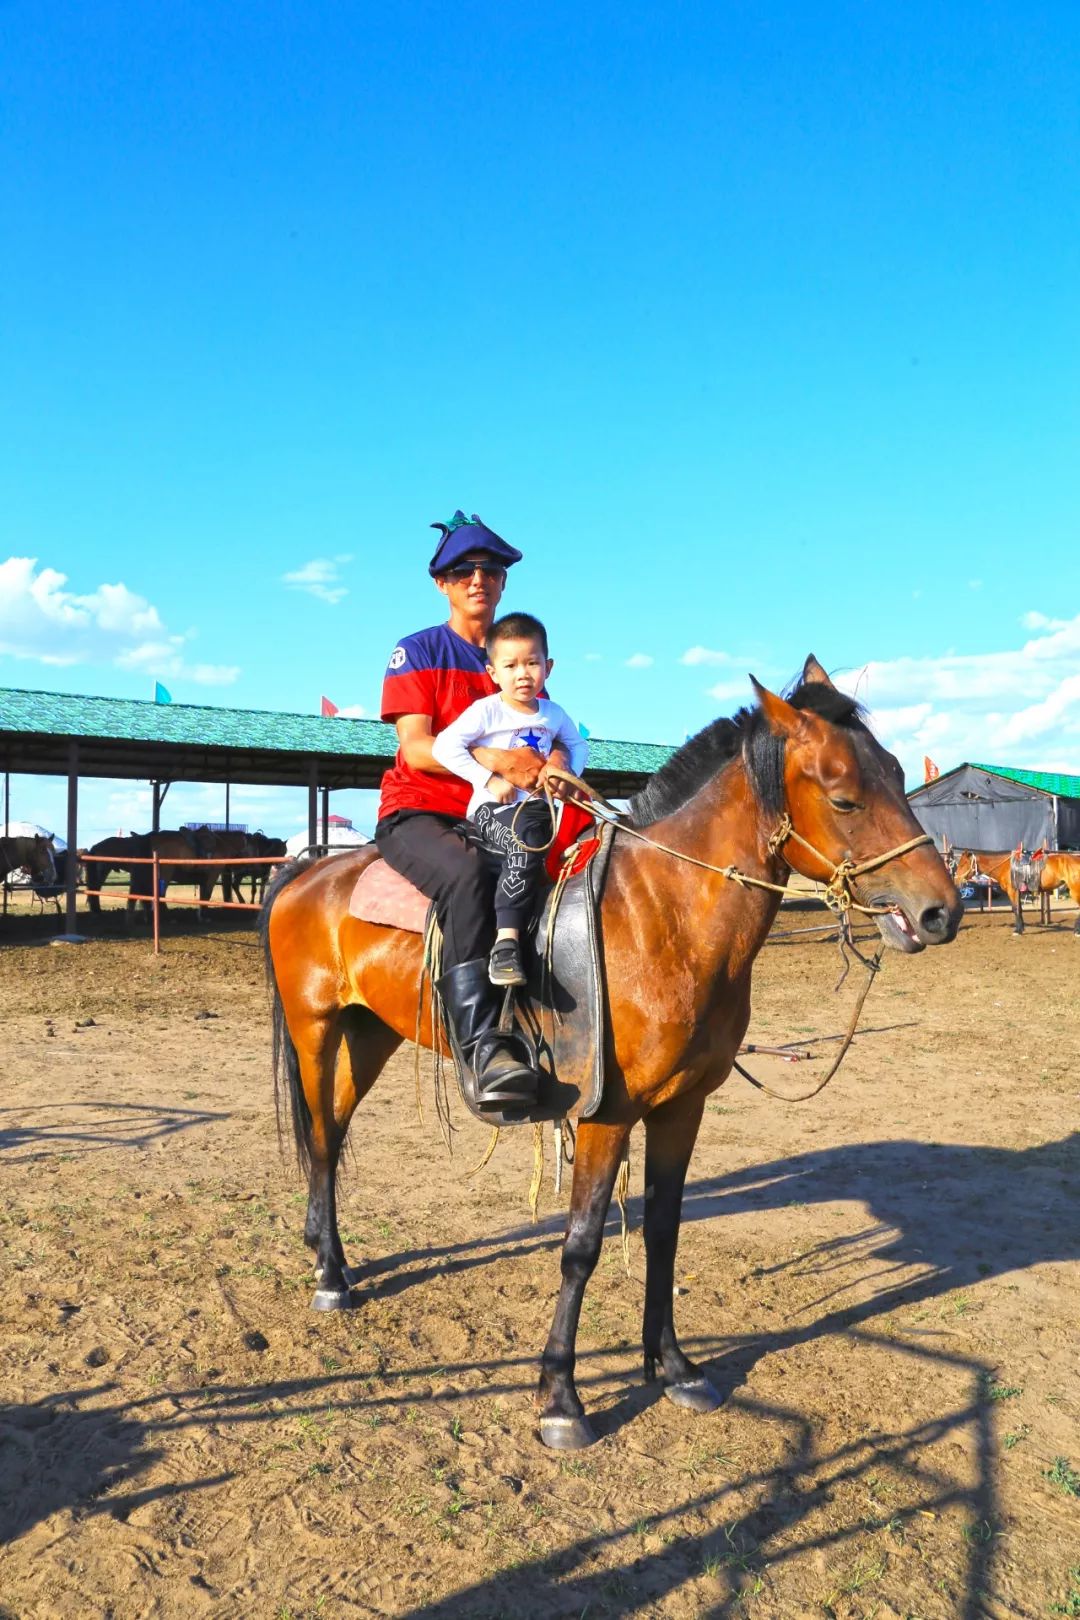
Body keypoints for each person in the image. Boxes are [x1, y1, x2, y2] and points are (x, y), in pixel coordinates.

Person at [374, 511, 570, 1107]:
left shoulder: (517, 656)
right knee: (465, 876)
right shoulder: (418, 651)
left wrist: (558, 760)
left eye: (489, 569)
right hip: (421, 811)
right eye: (462, 571)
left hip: (496, 814)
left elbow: (551, 728)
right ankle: (483, 1048)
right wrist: (497, 763)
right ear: (442, 583)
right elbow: (416, 748)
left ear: (504, 580)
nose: (477, 579)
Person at [431, 611, 587, 988]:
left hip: (539, 810)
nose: (523, 674)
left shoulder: (553, 714)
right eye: (511, 665)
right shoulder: (487, 711)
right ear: (493, 672)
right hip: (492, 811)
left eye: (532, 663)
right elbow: (445, 745)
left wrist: (566, 776)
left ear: (548, 667)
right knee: (525, 844)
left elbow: (578, 744)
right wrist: (486, 777)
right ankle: (506, 944)